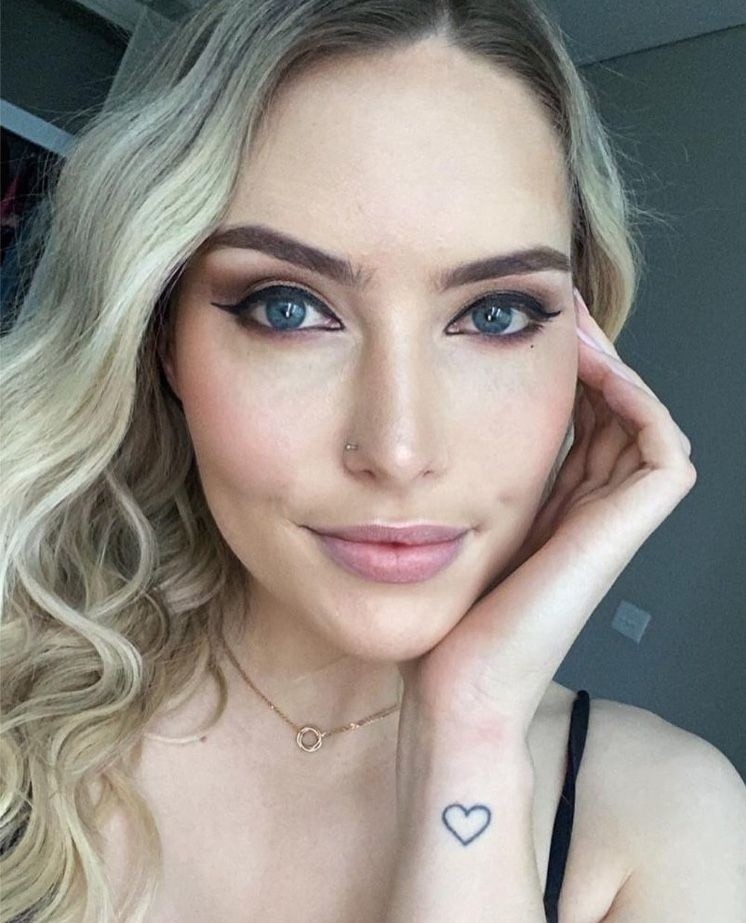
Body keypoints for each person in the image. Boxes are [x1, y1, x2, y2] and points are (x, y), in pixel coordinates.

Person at [1, 1, 744, 921]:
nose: (398, 450)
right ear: (163, 340)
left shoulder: (670, 824)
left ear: (583, 355)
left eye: (497, 313)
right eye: (286, 308)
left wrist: (469, 732)